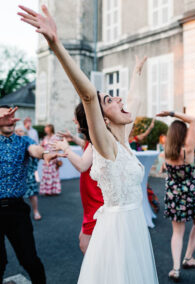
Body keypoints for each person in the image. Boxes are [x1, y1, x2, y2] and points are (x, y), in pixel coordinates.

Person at [19, 5, 158, 283]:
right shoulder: (105, 145)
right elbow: (89, 97)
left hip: (134, 229)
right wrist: (56, 45)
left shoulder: (124, 139)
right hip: (117, 232)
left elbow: (135, 99)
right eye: (110, 100)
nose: (119, 100)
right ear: (103, 121)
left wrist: (138, 71)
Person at [0, 105, 62, 284]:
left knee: (29, 259)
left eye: (12, 116)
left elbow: (35, 150)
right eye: (5, 115)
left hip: (17, 210)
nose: (10, 119)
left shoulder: (23, 141)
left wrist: (46, 154)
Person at [157, 111, 195, 281]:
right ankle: (188, 257)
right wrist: (172, 113)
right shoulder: (188, 150)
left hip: (175, 193)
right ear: (183, 134)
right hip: (192, 191)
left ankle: (176, 268)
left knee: (177, 232)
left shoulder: (166, 154)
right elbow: (193, 119)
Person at [52, 103, 104, 254]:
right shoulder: (94, 138)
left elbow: (82, 165)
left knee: (85, 244)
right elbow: (88, 147)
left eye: (76, 117)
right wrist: (73, 138)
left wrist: (65, 148)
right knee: (86, 240)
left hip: (96, 201)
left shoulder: (96, 139)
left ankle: (98, 275)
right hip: (91, 201)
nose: (74, 121)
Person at [15, 125, 42, 221]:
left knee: (32, 194)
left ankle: (35, 211)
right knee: (16, 196)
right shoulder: (12, 143)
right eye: (17, 131)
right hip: (17, 174)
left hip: (29, 172)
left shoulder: (29, 141)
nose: (18, 133)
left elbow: (36, 152)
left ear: (25, 132)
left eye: (21, 131)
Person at [39, 124, 62, 196]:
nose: (45, 129)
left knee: (54, 174)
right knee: (46, 174)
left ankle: (54, 190)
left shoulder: (55, 138)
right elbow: (42, 148)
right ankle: (47, 191)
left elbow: (59, 148)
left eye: (47, 128)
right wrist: (44, 154)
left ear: (50, 129)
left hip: (54, 158)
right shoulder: (45, 138)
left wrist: (59, 159)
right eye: (45, 128)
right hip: (46, 158)